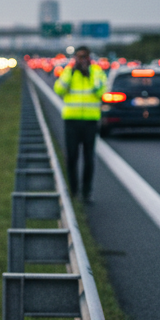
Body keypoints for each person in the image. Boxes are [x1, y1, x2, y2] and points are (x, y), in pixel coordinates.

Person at [53, 45, 106, 203]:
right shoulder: (69, 71)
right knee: (72, 158)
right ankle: (73, 191)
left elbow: (102, 92)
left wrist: (89, 76)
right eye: (79, 57)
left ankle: (86, 192)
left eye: (84, 57)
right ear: (75, 57)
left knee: (89, 158)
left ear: (89, 57)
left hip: (90, 121)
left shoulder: (96, 72)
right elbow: (59, 89)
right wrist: (71, 73)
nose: (82, 60)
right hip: (72, 121)